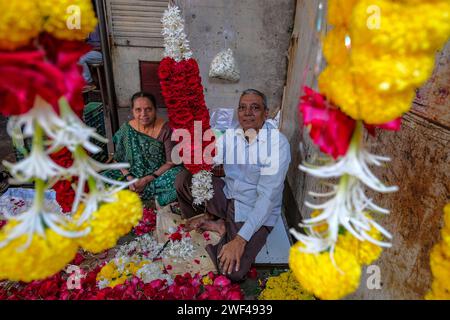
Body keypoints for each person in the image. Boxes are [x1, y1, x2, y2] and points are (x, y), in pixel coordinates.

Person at [175, 89, 291, 281]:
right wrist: (194, 149)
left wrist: (240, 239)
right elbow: (211, 158)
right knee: (184, 179)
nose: (247, 113)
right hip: (227, 195)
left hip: (253, 209)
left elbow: (267, 199)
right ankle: (218, 221)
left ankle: (222, 227)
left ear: (266, 112)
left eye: (255, 108)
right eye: (242, 108)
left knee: (232, 272)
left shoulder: (277, 145)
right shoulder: (232, 134)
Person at [103, 92, 182, 206]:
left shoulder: (166, 129)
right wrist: (129, 177)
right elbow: (117, 159)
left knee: (180, 177)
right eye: (138, 110)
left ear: (155, 109)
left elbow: (170, 163)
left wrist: (146, 180)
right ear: (132, 111)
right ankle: (143, 197)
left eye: (148, 109)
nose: (143, 114)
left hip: (157, 177)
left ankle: (137, 199)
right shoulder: (126, 129)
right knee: (102, 179)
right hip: (130, 177)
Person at [79, 23, 103, 91]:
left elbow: (102, 45)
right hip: (91, 53)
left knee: (80, 57)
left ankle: (88, 83)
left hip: (100, 54)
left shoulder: (97, 26)